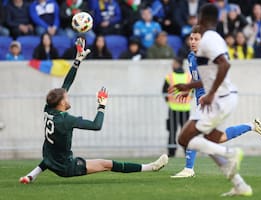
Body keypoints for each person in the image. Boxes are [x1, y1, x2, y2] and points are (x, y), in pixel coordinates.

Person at [19, 37, 169, 184]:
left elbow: (66, 83)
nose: (68, 97)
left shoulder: (49, 109)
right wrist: (102, 105)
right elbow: (96, 125)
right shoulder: (66, 120)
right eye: (67, 97)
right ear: (62, 102)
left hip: (50, 158)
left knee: (51, 155)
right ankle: (151, 167)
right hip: (66, 166)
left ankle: (30, 176)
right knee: (106, 164)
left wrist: (77, 61)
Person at [169, 4, 261, 196]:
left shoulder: (210, 39)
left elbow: (225, 64)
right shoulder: (204, 46)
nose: (193, 41)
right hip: (219, 99)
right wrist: (188, 87)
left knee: (185, 138)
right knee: (212, 140)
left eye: (195, 38)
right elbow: (210, 74)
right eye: (191, 38)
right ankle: (240, 185)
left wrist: (212, 93)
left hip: (218, 99)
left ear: (201, 17)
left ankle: (229, 154)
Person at [162, 57, 192, 157]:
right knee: (185, 132)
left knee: (172, 131)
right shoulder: (189, 77)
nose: (172, 65)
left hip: (173, 109)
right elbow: (193, 91)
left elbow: (164, 92)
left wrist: (170, 101)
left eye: (174, 63)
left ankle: (171, 152)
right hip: (185, 109)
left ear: (178, 64)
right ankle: (187, 151)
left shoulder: (169, 76)